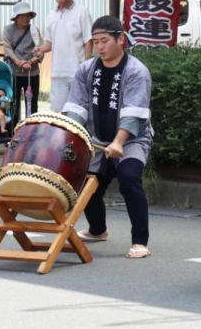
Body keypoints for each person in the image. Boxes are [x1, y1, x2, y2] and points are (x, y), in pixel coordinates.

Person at [63, 16, 153, 259]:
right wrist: (70, 132)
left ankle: (140, 241)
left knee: (129, 178)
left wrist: (119, 142)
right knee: (86, 184)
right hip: (97, 139)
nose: (100, 47)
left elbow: (134, 113)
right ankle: (97, 230)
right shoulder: (86, 69)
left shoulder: (136, 71)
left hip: (132, 140)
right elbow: (77, 106)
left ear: (120, 39)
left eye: (104, 41)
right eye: (95, 42)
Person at [36, 0, 93, 112]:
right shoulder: (51, 14)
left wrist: (86, 67)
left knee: (78, 112)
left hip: (77, 73)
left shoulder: (82, 11)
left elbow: (88, 41)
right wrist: (39, 50)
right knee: (58, 113)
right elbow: (49, 43)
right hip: (57, 73)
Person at [3, 1, 42, 119]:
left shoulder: (34, 30)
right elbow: (7, 48)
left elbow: (40, 50)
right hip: (14, 72)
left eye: (28, 15)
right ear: (16, 17)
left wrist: (30, 62)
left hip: (32, 72)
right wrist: (18, 62)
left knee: (32, 104)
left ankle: (31, 131)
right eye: (22, 15)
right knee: (13, 103)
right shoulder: (8, 29)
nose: (26, 18)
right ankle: (13, 130)